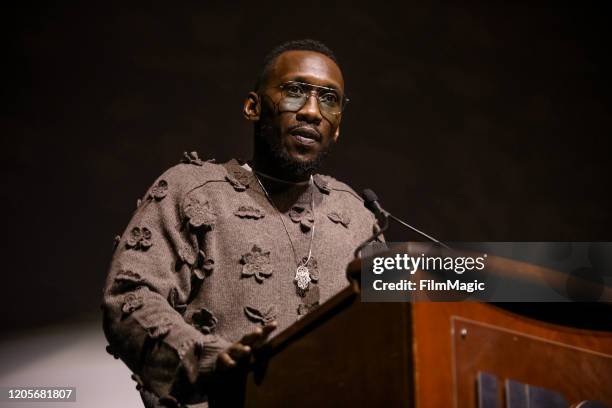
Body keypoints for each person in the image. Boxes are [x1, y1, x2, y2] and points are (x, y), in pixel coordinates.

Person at [102, 39, 381, 407]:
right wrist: (208, 359)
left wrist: (475, 278)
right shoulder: (192, 192)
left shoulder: (359, 216)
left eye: (328, 99)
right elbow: (129, 298)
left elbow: (397, 327)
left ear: (338, 126)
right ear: (253, 107)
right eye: (296, 92)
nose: (312, 111)